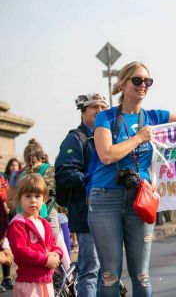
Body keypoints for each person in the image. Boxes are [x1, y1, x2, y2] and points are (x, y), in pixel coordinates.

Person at [88, 61, 176, 297]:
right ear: (123, 84)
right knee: (110, 275)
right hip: (106, 198)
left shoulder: (154, 117)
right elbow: (107, 155)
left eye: (147, 81)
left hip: (141, 198)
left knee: (142, 275)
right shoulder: (105, 118)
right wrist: (138, 138)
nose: (143, 85)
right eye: (137, 80)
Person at [54, 92, 109, 297]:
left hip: (109, 213)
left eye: (104, 107)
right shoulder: (75, 138)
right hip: (87, 216)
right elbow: (64, 172)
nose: (100, 111)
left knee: (109, 271)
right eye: (95, 107)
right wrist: (93, 180)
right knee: (91, 271)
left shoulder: (108, 136)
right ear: (83, 111)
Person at [7, 173, 63, 297]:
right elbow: (21, 251)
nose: (33, 200)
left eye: (37, 196)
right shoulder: (18, 224)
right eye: (28, 196)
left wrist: (57, 254)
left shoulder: (44, 223)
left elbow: (51, 246)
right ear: (20, 199)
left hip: (46, 281)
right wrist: (45, 260)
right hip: (28, 282)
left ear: (44, 200)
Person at [8, 140, 60, 240]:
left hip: (24, 218)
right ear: (42, 156)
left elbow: (13, 200)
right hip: (47, 216)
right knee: (51, 250)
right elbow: (56, 196)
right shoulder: (50, 170)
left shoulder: (18, 174)